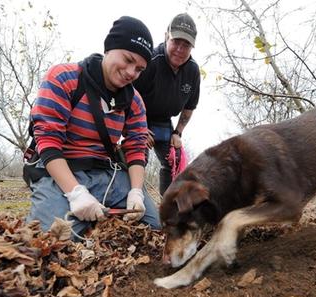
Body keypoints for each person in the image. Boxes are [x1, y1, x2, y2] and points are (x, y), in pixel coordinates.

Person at [26, 16, 160, 239]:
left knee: (153, 226)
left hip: (107, 173)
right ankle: (66, 207)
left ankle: (98, 214)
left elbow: (136, 147)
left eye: (139, 69)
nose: (130, 72)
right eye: (127, 59)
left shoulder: (135, 101)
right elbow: (48, 141)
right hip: (61, 169)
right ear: (110, 48)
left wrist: (136, 191)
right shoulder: (64, 78)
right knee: (50, 238)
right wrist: (75, 192)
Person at [134, 13, 201, 195]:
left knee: (175, 158)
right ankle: (134, 198)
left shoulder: (193, 71)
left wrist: (177, 132)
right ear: (166, 37)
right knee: (138, 153)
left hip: (164, 122)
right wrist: (137, 127)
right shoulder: (150, 61)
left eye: (186, 44)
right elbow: (128, 94)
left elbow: (189, 107)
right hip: (140, 117)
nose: (180, 49)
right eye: (176, 42)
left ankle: (168, 205)